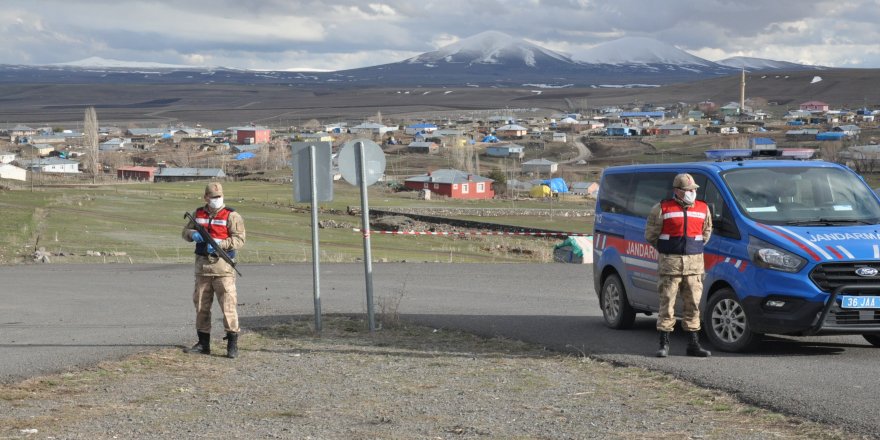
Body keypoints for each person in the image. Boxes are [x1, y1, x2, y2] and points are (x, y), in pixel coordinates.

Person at [644, 173, 712, 358]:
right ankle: (664, 344)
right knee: (667, 304)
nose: (692, 192)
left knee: (693, 306)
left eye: (694, 190)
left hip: (694, 267)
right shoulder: (662, 208)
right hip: (670, 266)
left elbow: (706, 233)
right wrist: (668, 249)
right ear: (677, 191)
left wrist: (692, 249)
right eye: (688, 190)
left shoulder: (703, 208)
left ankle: (693, 345)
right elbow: (651, 235)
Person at [181, 182, 246, 358]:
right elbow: (185, 232)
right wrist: (192, 234)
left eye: (218, 197)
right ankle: (203, 344)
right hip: (202, 268)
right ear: (206, 198)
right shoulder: (198, 214)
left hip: (223, 269)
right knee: (201, 306)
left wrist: (220, 244)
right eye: (212, 197)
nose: (216, 200)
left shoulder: (231, 215)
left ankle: (232, 345)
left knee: (228, 307)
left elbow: (239, 240)